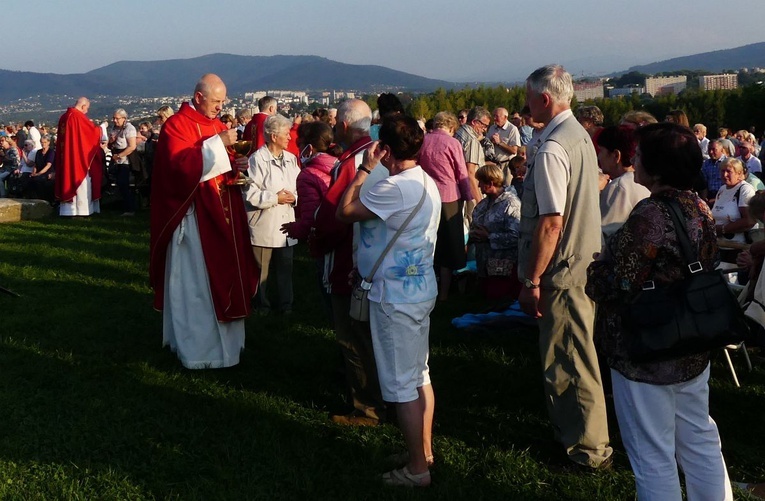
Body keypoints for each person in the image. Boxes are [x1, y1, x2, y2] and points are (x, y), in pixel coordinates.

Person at [586, 122, 734, 500]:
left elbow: (619, 284)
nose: (633, 159)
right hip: (691, 341)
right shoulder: (698, 205)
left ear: (656, 166)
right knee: (699, 437)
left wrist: (597, 266)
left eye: (639, 154)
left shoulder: (650, 215)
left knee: (652, 452)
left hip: (647, 350)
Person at [337, 114, 441, 487]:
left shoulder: (395, 186)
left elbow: (344, 211)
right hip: (418, 289)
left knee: (400, 385)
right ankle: (422, 450)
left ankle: (417, 469)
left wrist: (365, 170)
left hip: (395, 297)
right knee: (419, 375)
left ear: (387, 150)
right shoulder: (425, 181)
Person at [517, 64, 612, 469]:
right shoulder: (579, 137)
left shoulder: (555, 146)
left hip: (563, 270)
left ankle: (587, 451)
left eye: (527, 97)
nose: (523, 105)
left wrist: (532, 278)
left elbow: (551, 222)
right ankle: (579, 438)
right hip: (583, 260)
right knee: (575, 354)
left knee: (569, 359)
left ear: (543, 98)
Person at [149, 73, 258, 370]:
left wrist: (238, 165)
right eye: (216, 101)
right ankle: (198, 351)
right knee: (197, 284)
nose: (220, 108)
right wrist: (218, 144)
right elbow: (178, 169)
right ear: (199, 97)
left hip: (225, 217)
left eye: (223, 101)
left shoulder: (219, 125)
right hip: (195, 219)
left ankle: (231, 349)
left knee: (228, 275)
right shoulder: (177, 126)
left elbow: (224, 169)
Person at [312, 98, 386, 427]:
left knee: (352, 334)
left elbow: (333, 216)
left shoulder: (352, 162)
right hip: (387, 259)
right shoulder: (388, 154)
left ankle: (366, 407)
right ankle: (388, 397)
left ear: (343, 127)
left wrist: (315, 239)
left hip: (350, 259)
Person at [243, 114, 300, 316]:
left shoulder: (292, 160)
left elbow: (298, 187)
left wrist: (294, 198)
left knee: (286, 267)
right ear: (274, 136)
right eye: (286, 134)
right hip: (264, 223)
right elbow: (249, 193)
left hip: (286, 223)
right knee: (261, 269)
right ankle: (262, 305)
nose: (290, 138)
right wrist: (275, 198)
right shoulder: (256, 160)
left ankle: (287, 305)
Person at [418, 111, 473, 301]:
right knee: (449, 247)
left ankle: (428, 290)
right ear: (451, 127)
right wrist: (468, 198)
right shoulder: (453, 143)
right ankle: (444, 294)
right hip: (449, 197)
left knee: (429, 241)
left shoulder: (422, 141)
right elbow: (462, 173)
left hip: (425, 196)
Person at [468, 164, 522, 300]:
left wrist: (489, 237)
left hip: (503, 266)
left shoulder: (511, 204)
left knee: (499, 300)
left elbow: (516, 236)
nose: (478, 186)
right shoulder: (484, 203)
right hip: (484, 263)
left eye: (480, 182)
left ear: (490, 183)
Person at [596, 125, 650, 239]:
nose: (598, 156)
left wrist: (593, 193)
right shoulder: (642, 181)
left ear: (616, 155)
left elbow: (604, 235)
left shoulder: (618, 187)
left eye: (601, 150)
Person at [54, 97, 103, 216]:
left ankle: (67, 211)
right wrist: (102, 128)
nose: (86, 112)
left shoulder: (64, 117)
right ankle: (82, 211)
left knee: (67, 178)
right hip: (77, 157)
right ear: (83, 106)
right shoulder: (78, 117)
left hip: (66, 156)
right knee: (80, 180)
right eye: (87, 109)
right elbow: (92, 133)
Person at [712, 157, 755, 263]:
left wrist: (722, 229)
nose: (725, 175)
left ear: (739, 173)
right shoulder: (722, 189)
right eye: (723, 171)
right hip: (720, 247)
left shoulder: (745, 189)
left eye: (729, 171)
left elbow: (749, 221)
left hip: (738, 249)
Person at [108, 108, 138, 216]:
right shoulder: (114, 128)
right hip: (116, 158)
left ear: (124, 118)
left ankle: (130, 208)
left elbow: (132, 146)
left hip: (126, 160)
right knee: (119, 183)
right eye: (114, 118)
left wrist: (119, 156)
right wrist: (111, 142)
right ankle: (122, 205)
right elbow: (110, 144)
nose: (115, 120)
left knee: (124, 183)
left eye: (117, 118)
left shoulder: (129, 129)